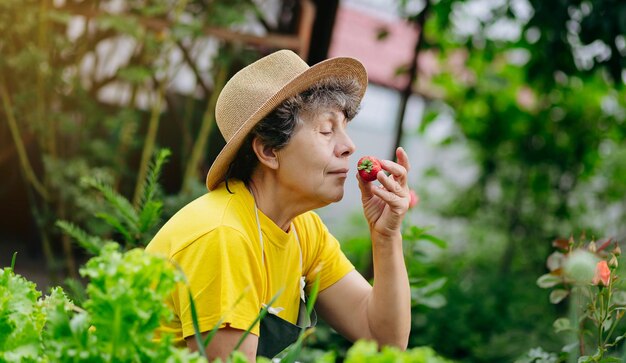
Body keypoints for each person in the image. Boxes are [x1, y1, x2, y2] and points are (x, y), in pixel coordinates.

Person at [145, 49, 415, 362]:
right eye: (327, 130)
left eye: (344, 128)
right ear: (270, 150)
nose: (349, 147)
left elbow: (383, 339)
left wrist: (386, 237)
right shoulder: (224, 236)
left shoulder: (303, 229)